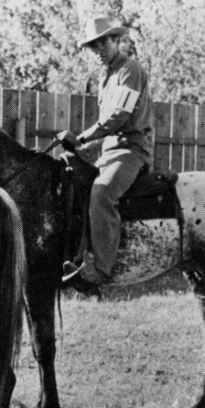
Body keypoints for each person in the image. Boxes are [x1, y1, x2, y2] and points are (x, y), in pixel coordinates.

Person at [60, 16, 152, 288]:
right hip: (110, 149)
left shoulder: (130, 70)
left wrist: (83, 137)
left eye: (102, 44)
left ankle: (100, 270)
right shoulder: (106, 76)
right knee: (68, 172)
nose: (98, 51)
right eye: (93, 47)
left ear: (116, 41)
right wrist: (84, 147)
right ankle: (76, 256)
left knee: (101, 193)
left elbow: (119, 116)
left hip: (131, 149)